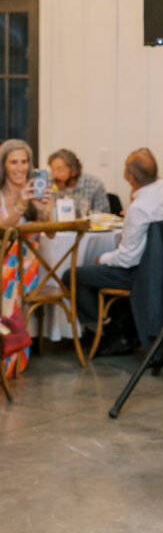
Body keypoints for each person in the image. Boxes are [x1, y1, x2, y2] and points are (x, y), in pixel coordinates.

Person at [67, 148, 163, 354]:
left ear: (130, 177)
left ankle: (112, 333)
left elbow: (128, 259)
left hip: (142, 274)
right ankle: (126, 326)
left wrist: (101, 258)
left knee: (73, 275)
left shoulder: (139, 208)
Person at [0, 139, 50, 377]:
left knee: (7, 275)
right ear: (4, 165)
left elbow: (50, 232)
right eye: (13, 162)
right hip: (7, 266)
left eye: (24, 162)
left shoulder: (35, 195)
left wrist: (42, 209)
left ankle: (8, 359)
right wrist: (19, 206)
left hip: (27, 266)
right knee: (7, 272)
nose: (20, 168)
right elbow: (3, 232)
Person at [47, 148, 109, 214]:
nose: (54, 175)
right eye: (52, 170)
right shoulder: (49, 184)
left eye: (59, 170)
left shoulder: (94, 185)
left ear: (73, 171)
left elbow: (103, 216)